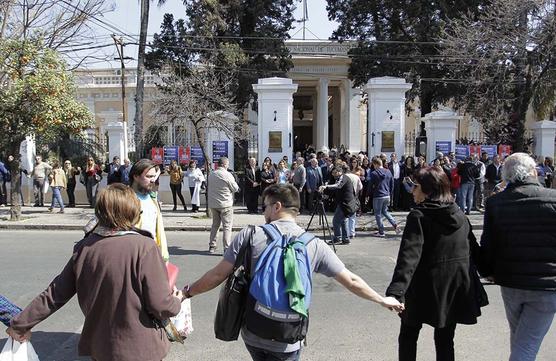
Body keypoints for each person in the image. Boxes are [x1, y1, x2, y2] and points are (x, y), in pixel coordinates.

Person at [180, 184, 404, 360]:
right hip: (289, 337)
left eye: (265, 206)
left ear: (277, 207)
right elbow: (351, 280)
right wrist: (381, 300)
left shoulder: (250, 235)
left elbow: (217, 275)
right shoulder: (314, 244)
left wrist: (187, 292)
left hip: (254, 332)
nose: (263, 211)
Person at [7, 184, 183, 361]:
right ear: (133, 212)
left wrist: (19, 325)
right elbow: (161, 305)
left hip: (102, 349)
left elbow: (54, 295)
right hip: (141, 348)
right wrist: (176, 301)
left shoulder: (85, 248)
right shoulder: (144, 247)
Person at [386, 166, 485, 361]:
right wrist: (491, 270)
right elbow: (474, 249)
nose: (412, 191)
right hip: (454, 287)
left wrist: (396, 292)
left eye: (415, 186)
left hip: (423, 286)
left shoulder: (419, 216)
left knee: (408, 334)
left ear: (426, 189)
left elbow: (409, 256)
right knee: (445, 338)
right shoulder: (459, 214)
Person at [480, 153, 556, 361]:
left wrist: (487, 271)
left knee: (521, 341)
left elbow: (488, 242)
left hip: (511, 282)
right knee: (525, 345)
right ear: (533, 171)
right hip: (546, 286)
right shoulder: (552, 199)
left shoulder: (496, 203)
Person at [130, 159, 170, 262]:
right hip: (134, 256)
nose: (153, 180)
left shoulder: (152, 199)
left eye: (153, 176)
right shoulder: (125, 199)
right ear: (136, 176)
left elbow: (159, 230)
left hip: (152, 255)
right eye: (148, 177)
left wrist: (163, 256)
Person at [319, 165, 358, 245]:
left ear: (340, 172)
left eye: (335, 173)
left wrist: (326, 186)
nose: (334, 175)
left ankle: (337, 238)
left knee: (336, 221)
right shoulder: (338, 179)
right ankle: (345, 239)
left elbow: (338, 186)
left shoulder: (344, 178)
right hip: (343, 203)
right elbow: (336, 190)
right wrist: (327, 194)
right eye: (333, 173)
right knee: (343, 221)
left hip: (346, 203)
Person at [208, 157, 239, 253]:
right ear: (225, 164)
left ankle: (212, 246)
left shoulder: (211, 174)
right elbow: (235, 188)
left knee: (215, 225)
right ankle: (226, 248)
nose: (228, 166)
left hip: (214, 204)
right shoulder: (227, 175)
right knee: (227, 226)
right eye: (228, 164)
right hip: (225, 204)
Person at [369, 157, 400, 237]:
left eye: (373, 164)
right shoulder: (388, 171)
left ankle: (381, 232)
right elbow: (392, 184)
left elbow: (370, 186)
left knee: (378, 214)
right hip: (387, 195)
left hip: (378, 195)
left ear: (375, 164)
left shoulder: (374, 173)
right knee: (385, 212)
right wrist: (390, 193)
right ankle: (395, 225)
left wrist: (368, 194)